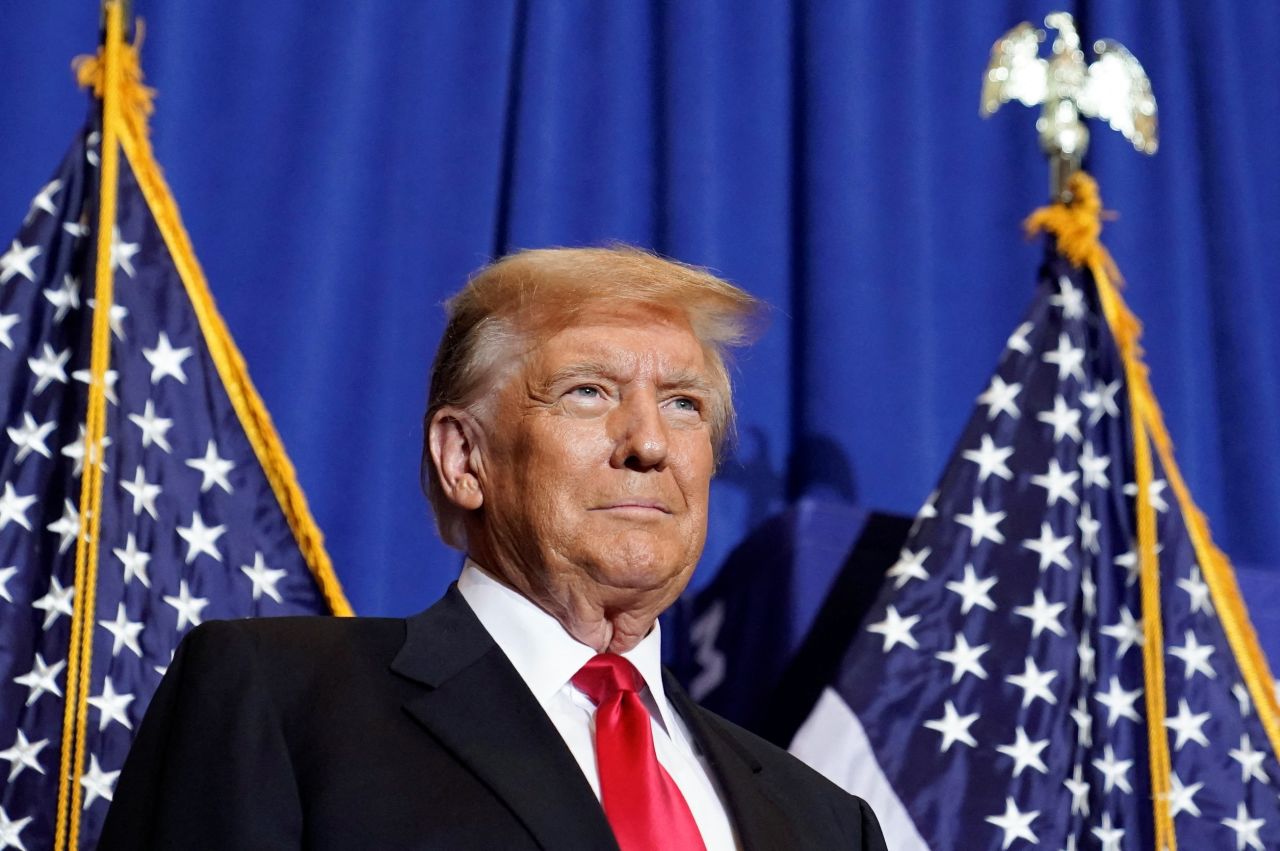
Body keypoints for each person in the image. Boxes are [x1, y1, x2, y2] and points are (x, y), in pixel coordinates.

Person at [99, 246, 887, 850]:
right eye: (590, 391)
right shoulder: (280, 701)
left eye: (684, 404)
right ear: (464, 458)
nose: (650, 441)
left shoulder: (821, 818)